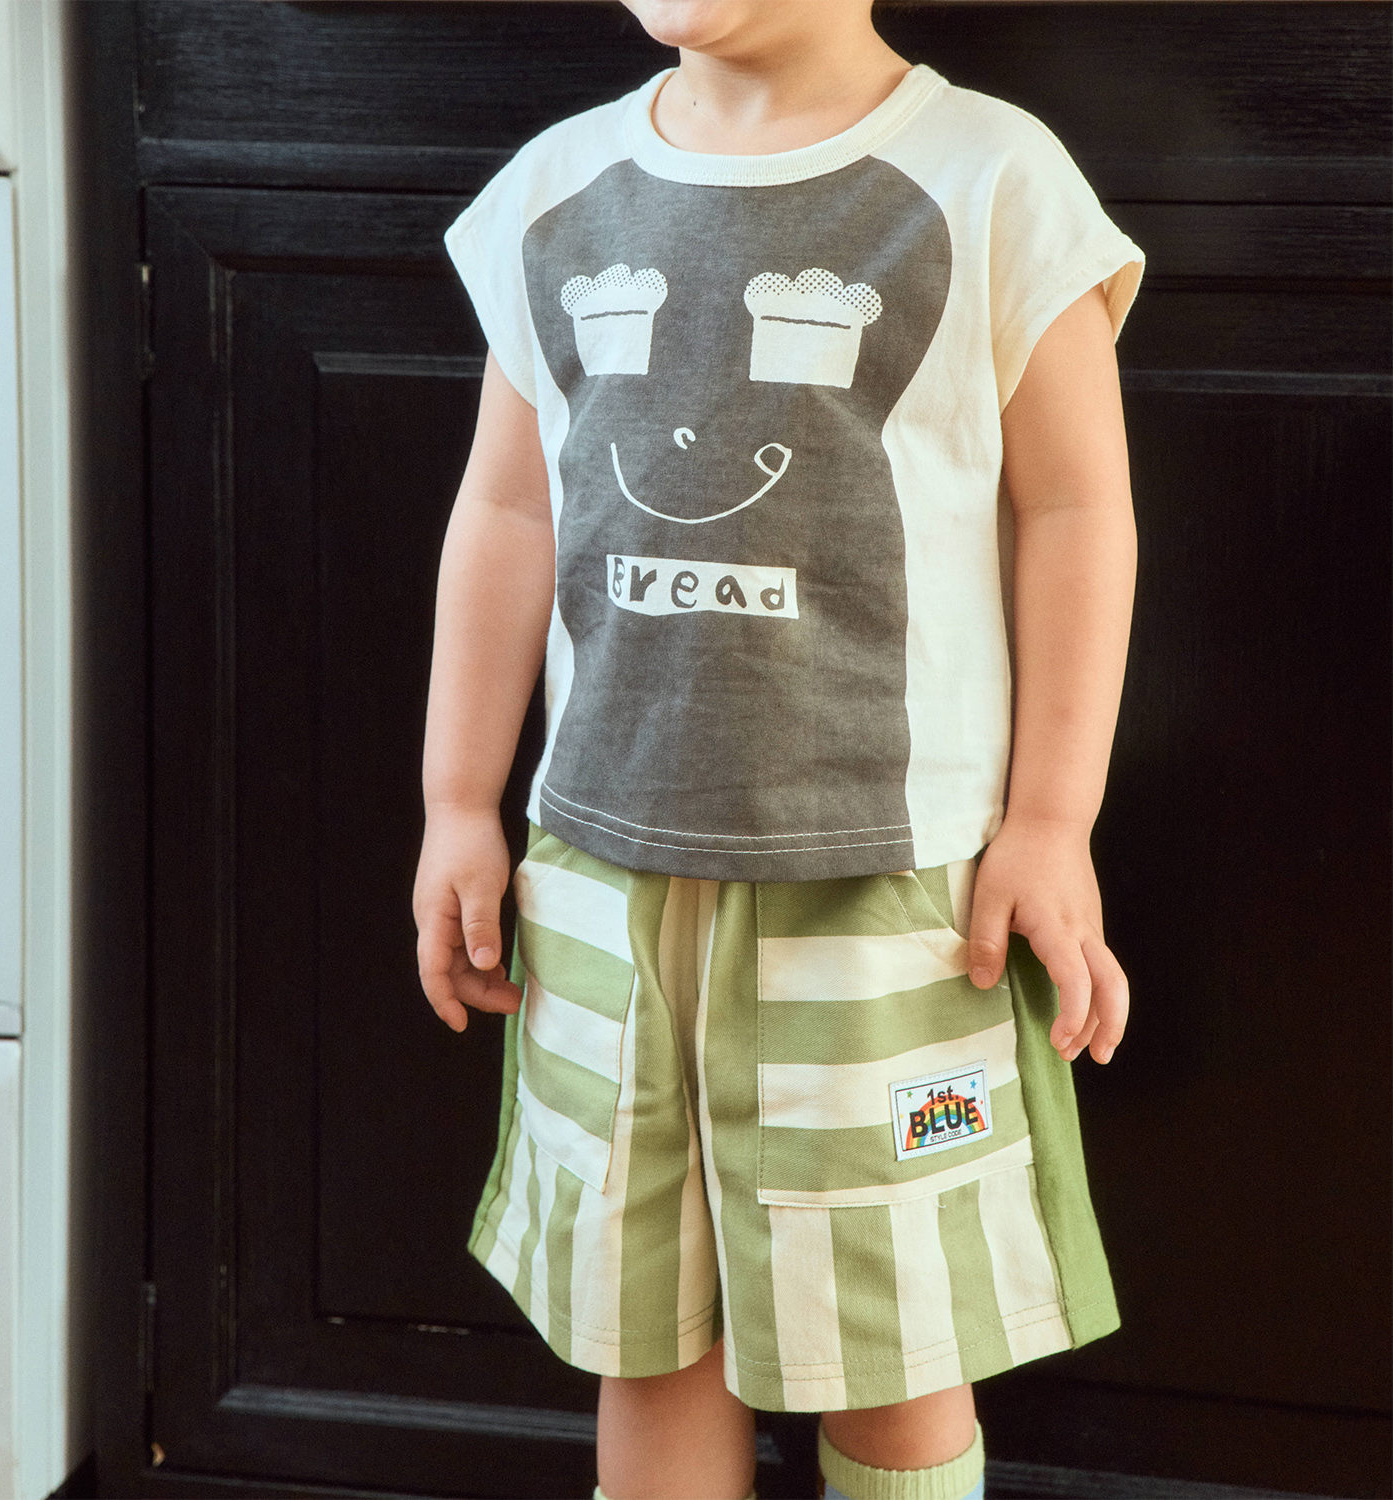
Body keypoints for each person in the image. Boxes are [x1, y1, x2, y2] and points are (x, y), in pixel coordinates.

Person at [414, 2, 1143, 1496]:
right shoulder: (553, 192)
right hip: (600, 874)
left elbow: (1077, 514)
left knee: (891, 1337)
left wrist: (1051, 823)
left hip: (891, 890)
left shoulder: (994, 178)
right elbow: (506, 510)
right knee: (644, 1340)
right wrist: (457, 802)